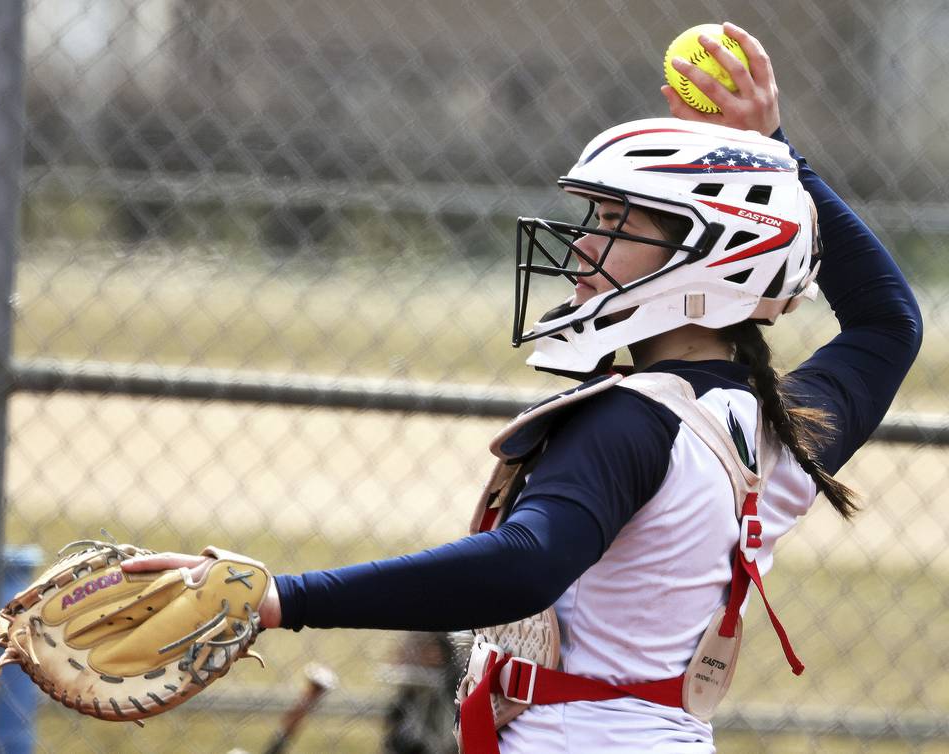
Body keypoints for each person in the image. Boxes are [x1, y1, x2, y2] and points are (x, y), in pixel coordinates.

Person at [123, 22, 922, 753]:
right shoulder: (772, 425)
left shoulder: (632, 423)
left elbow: (525, 564)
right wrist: (773, 151)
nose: (583, 245)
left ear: (714, 256)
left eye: (617, 222)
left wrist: (281, 597)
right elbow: (888, 322)